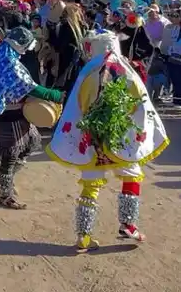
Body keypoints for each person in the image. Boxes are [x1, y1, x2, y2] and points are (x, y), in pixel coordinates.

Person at [47, 32, 167, 251]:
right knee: (132, 176)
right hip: (120, 136)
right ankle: (128, 224)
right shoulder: (125, 72)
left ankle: (83, 236)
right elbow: (138, 102)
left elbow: (79, 104)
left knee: (91, 185)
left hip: (92, 137)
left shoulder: (88, 72)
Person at [0, 27, 64, 209]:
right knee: (10, 154)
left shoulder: (5, 53)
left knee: (33, 142)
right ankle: (5, 194)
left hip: (17, 111)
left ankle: (5, 181)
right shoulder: (7, 60)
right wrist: (53, 95)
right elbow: (26, 86)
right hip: (8, 114)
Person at [159, 8, 181, 109]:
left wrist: (172, 50)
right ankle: (176, 99)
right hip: (172, 56)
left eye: (176, 16)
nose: (173, 18)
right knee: (175, 79)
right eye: (172, 16)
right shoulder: (173, 27)